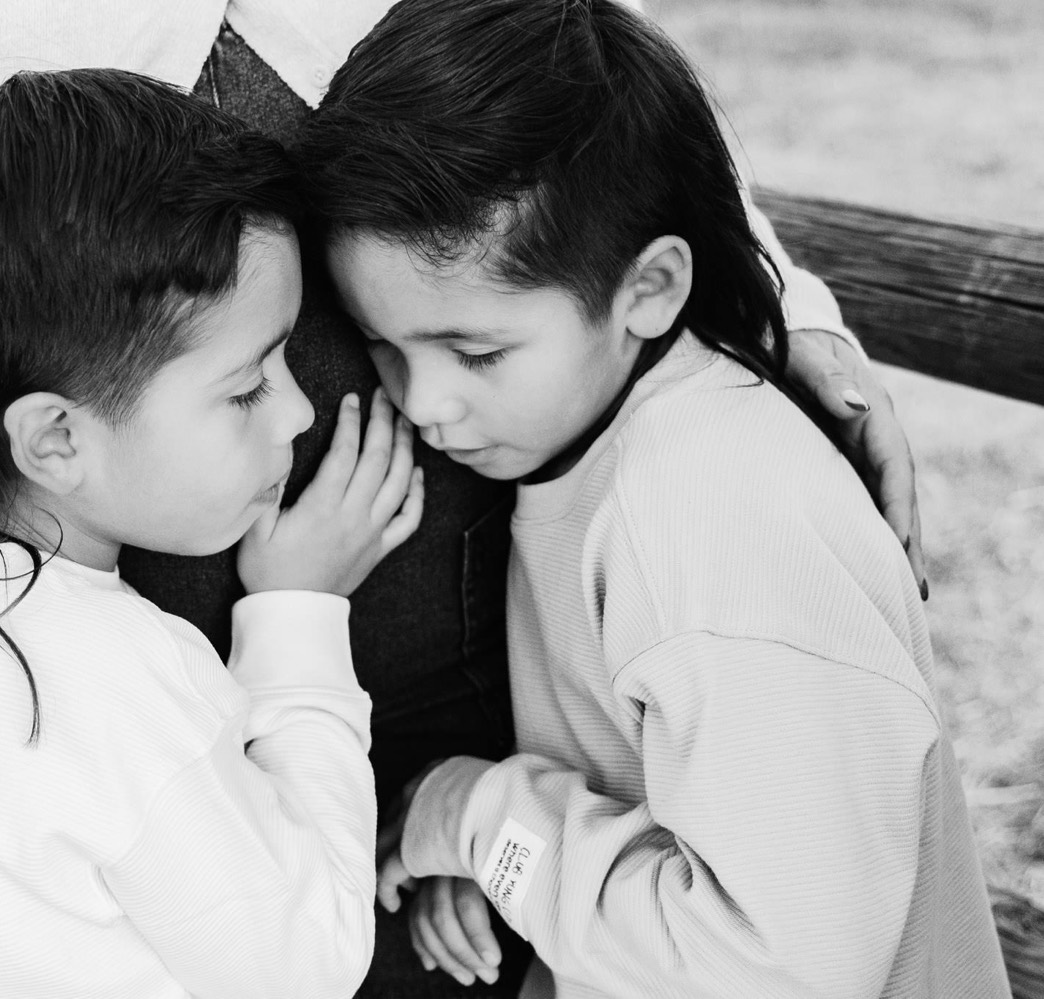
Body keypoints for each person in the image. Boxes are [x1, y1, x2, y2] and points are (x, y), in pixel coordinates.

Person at [0, 1, 924, 994]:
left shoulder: (710, 514)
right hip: (213, 683)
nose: (301, 411)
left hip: (449, 714)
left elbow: (587, 68)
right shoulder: (88, 677)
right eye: (251, 387)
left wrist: (773, 304)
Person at [296, 0, 1009, 995]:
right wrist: (512, 877)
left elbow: (777, 970)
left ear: (650, 287)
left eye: (477, 352)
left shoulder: (713, 528)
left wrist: (477, 820)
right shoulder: (607, 448)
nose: (424, 402)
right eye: (384, 346)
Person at [0, 68, 426, 998]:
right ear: (56, 440)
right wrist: (296, 613)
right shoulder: (122, 679)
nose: (299, 412)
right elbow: (308, 960)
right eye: (247, 387)